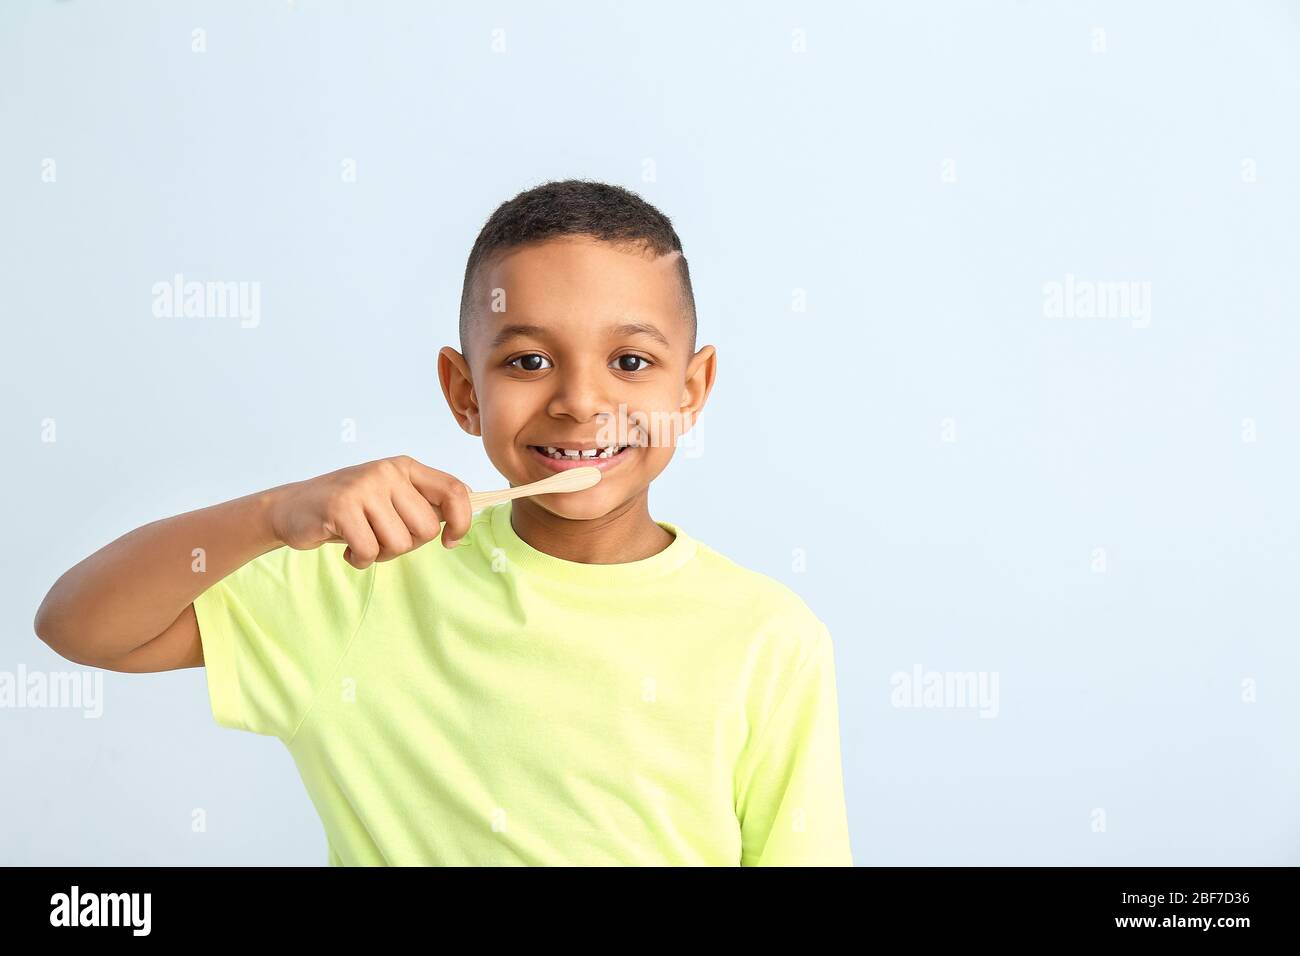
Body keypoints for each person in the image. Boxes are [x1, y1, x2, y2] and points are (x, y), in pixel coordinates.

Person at [34, 179, 854, 866]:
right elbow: (79, 626)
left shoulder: (769, 637)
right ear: (464, 392)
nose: (578, 401)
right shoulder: (362, 582)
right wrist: (270, 515)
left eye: (630, 362)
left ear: (692, 389)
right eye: (528, 361)